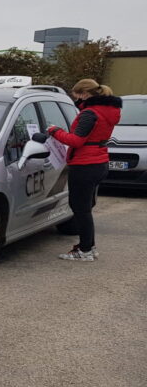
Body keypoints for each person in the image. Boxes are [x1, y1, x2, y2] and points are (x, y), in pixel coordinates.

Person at [43, 79, 121, 262]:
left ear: (84, 94)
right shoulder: (109, 111)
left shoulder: (89, 114)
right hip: (99, 161)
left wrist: (55, 131)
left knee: (80, 209)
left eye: (76, 95)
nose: (75, 99)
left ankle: (85, 250)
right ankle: (89, 247)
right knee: (85, 208)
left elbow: (77, 140)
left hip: (85, 164)